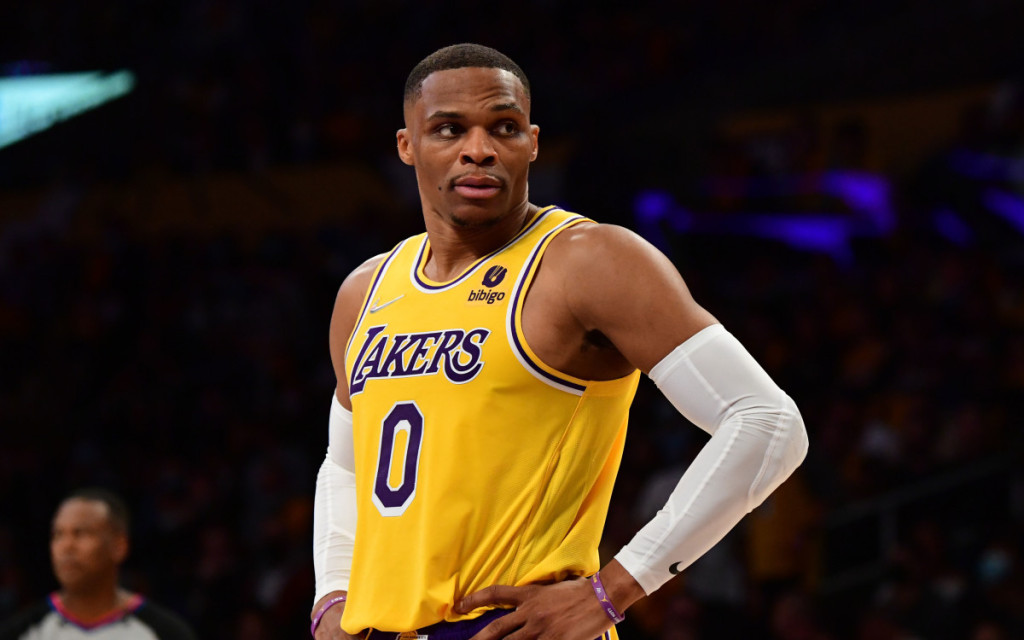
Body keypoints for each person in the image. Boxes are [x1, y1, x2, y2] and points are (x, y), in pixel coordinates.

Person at [310, 43, 809, 640]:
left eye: (504, 127)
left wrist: (615, 588)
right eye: (449, 129)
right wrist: (331, 594)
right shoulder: (365, 290)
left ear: (533, 142)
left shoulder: (588, 261)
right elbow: (345, 464)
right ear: (406, 145)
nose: (479, 149)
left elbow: (769, 422)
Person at [0, 488, 197, 640]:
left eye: (80, 533)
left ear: (119, 547)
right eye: (58, 534)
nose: (66, 546)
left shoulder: (167, 633)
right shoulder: (20, 632)